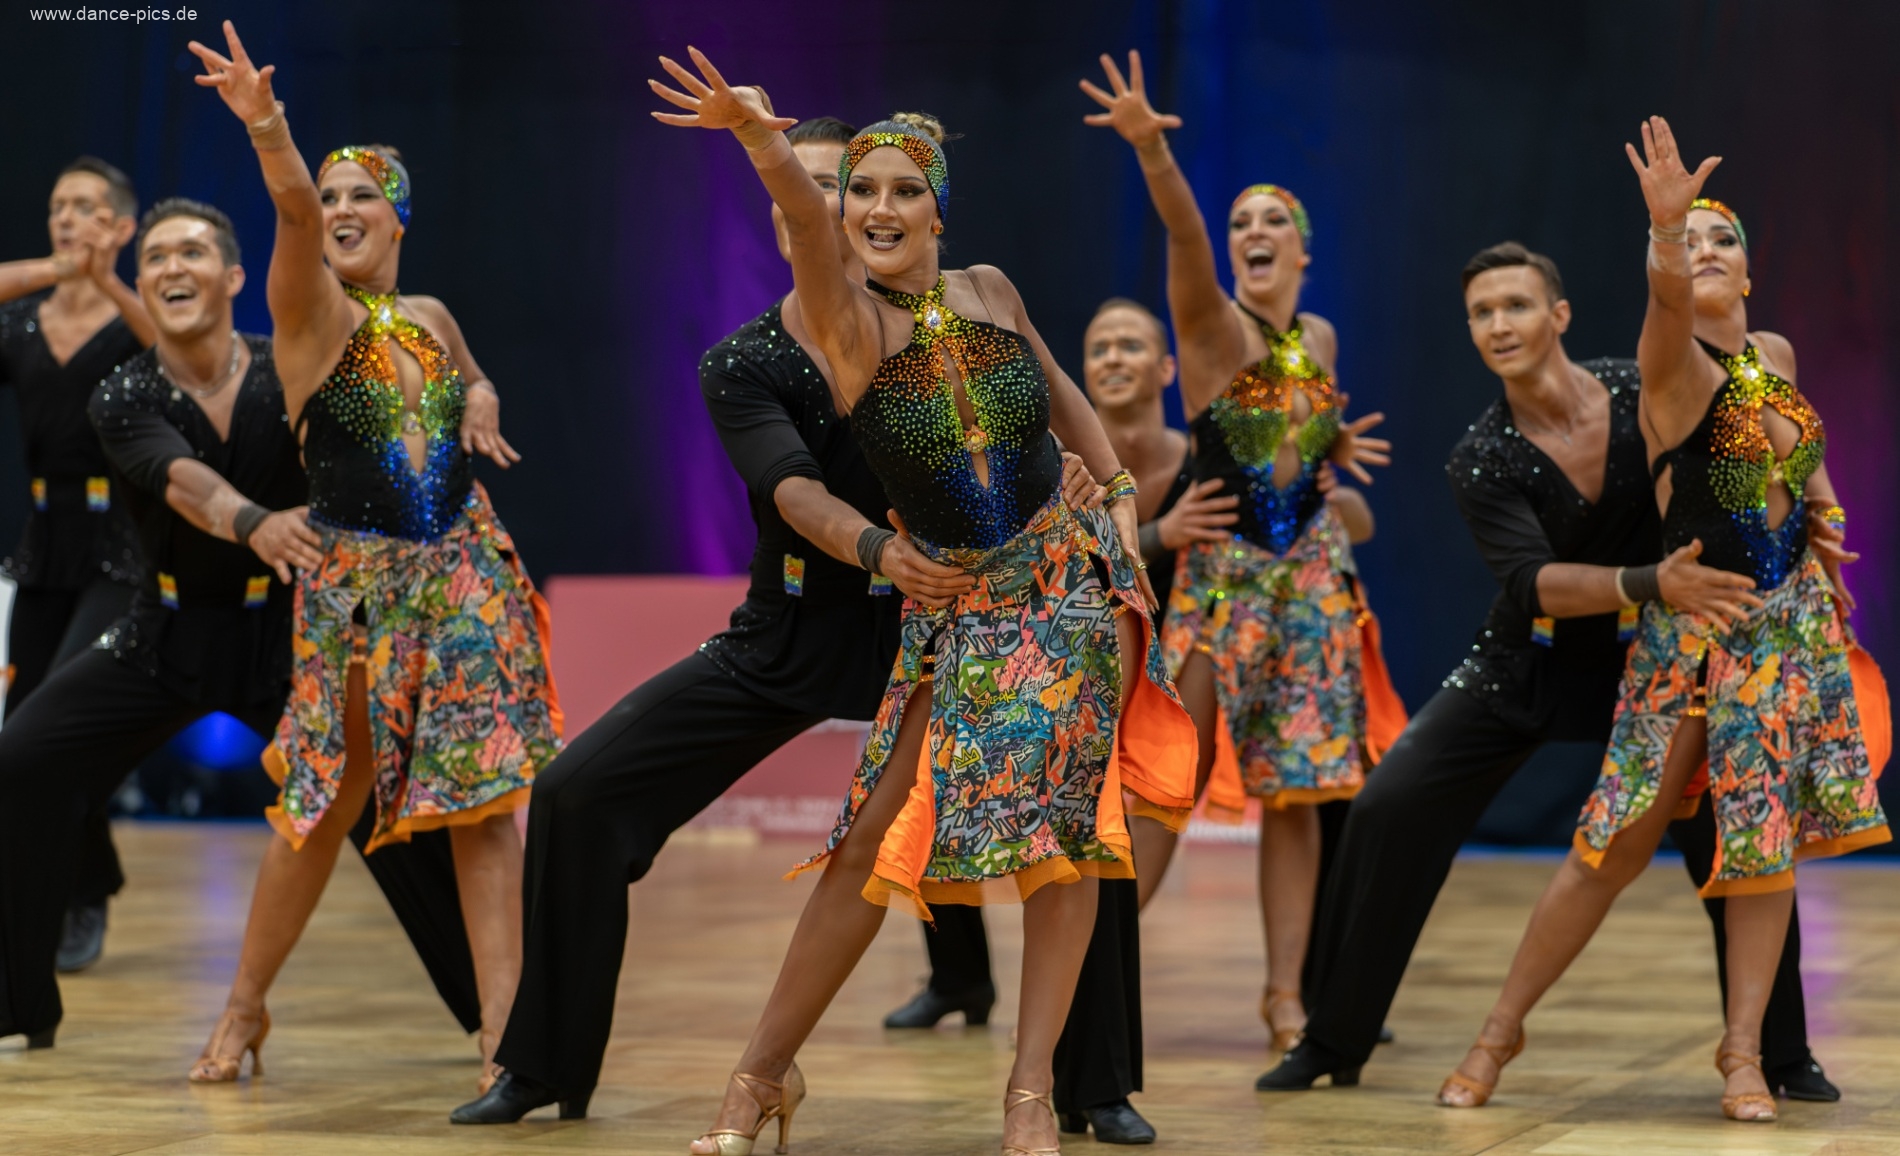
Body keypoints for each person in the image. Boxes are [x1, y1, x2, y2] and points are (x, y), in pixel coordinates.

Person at [652, 50, 1197, 1155]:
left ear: (939, 210)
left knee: (1071, 840)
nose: (878, 208)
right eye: (861, 189)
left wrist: (1115, 500)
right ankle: (758, 1077)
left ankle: (1030, 1094)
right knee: (867, 842)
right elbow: (805, 226)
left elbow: (1060, 392)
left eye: (905, 189)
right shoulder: (844, 320)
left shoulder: (989, 288)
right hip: (957, 607)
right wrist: (759, 140)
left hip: (1067, 593)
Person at [451, 113, 999, 1125]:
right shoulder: (746, 359)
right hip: (795, 626)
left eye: (846, 186)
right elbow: (792, 490)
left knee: (1075, 811)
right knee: (575, 793)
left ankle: (1083, 1074)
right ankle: (544, 1064)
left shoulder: (951, 320)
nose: (828, 206)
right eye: (808, 188)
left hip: (942, 629)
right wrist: (877, 549)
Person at [1258, 234, 1858, 1107]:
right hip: (1529, 660)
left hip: (1654, 659)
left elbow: (1762, 443)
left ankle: (1780, 1051)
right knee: (1391, 804)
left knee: (1738, 826)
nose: (1500, 324)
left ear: (1560, 314)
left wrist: (1817, 528)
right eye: (1482, 313)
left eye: (1516, 305)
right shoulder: (1481, 455)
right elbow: (1531, 585)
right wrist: (1651, 581)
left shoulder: (1640, 387)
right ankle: (1333, 1035)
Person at [1428, 119, 1887, 1122]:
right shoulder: (1672, 367)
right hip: (1693, 634)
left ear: (1751, 274)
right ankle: (1497, 1034)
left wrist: (1825, 526)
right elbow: (1669, 302)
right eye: (1691, 242)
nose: (1706, 252)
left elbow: (1802, 459)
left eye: (1725, 240)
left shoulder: (1773, 352)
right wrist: (1666, 232)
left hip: (1785, 631)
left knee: (1762, 844)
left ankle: (1741, 1055)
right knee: (1614, 845)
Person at [0, 197, 482, 1053]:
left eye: (190, 252)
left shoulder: (285, 370)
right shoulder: (124, 391)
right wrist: (253, 521)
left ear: (232, 277)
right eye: (155, 257)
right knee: (23, 758)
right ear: (142, 285)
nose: (171, 267)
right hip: (162, 633)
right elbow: (179, 479)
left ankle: (502, 1023)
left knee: (387, 807)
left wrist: (466, 401)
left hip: (289, 640)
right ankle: (18, 1006)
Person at [186, 22, 561, 1087]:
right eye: (332, 195)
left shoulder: (429, 315)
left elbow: (469, 372)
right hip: (359, 589)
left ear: (399, 215)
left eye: (364, 194)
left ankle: (503, 1032)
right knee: (322, 802)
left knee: (483, 805)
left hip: (466, 571)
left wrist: (481, 396)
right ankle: (245, 1005)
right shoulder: (309, 314)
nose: (341, 208)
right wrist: (269, 127)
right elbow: (292, 211)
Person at [1080, 50, 1396, 1057]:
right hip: (1226, 587)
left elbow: (1296, 441)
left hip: (1313, 584)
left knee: (1295, 795)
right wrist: (1151, 151)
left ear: (1302, 248)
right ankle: (1094, 977)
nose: (1252, 233)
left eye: (1271, 222)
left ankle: (1284, 998)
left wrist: (1326, 457)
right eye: (1240, 224)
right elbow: (1181, 230)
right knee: (1169, 781)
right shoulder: (1212, 326)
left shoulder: (1321, 339)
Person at [885, 296, 1239, 1146]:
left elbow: (1239, 550)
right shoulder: (1035, 443)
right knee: (931, 801)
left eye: (1132, 345)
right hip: (990, 615)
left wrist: (1134, 521)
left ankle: (1095, 1084)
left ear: (1165, 368)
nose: (1114, 358)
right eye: (1100, 346)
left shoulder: (1190, 458)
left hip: (1124, 642)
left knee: (1091, 845)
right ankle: (961, 981)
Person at [0, 158, 153, 972]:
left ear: (122, 227)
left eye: (87, 207)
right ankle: (86, 877)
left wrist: (106, 282)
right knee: (23, 730)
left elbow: (180, 352)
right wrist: (52, 272)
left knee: (64, 716)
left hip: (118, 551)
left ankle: (76, 896)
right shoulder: (23, 324)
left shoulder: (134, 321)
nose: (68, 218)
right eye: (60, 205)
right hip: (45, 545)